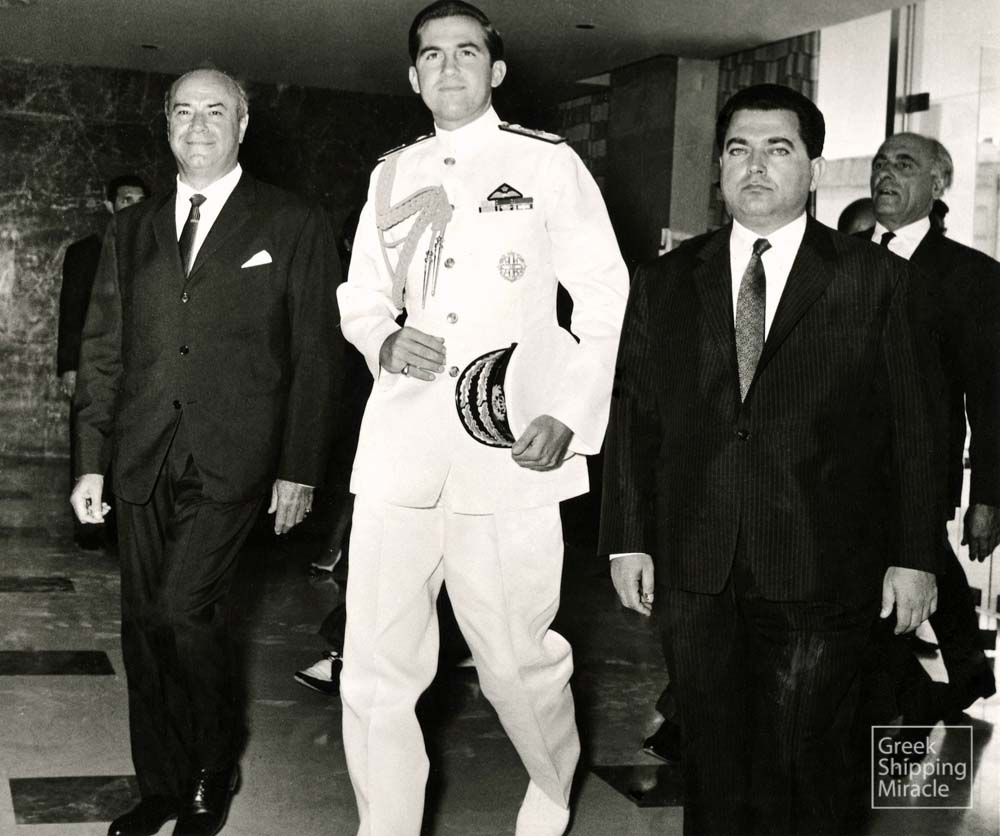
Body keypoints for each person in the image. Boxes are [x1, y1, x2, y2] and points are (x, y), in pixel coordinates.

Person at [600, 84, 940, 835]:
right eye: (738, 149)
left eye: (778, 149)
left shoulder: (873, 278)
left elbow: (917, 428)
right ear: (718, 166)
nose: (755, 166)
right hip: (697, 567)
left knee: (809, 768)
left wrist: (914, 553)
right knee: (713, 767)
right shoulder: (664, 282)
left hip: (824, 564)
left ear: (813, 169)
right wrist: (627, 534)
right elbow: (636, 414)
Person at [336, 3, 628, 834]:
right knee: (375, 670)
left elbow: (604, 293)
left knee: (514, 662)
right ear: (413, 76)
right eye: (432, 55)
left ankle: (551, 780)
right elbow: (360, 293)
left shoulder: (545, 162)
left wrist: (569, 412)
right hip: (399, 452)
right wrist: (383, 341)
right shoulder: (392, 172)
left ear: (497, 72)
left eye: (468, 53)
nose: (450, 68)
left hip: (509, 454)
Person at [71, 68, 342, 836]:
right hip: (141, 456)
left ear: (243, 124)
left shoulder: (291, 222)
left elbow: (317, 356)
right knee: (144, 625)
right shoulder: (132, 229)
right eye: (183, 112)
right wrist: (90, 460)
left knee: (187, 612)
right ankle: (158, 783)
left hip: (236, 460)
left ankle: (211, 766)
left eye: (214, 112)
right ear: (165, 126)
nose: (197, 126)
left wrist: (299, 467)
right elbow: (103, 354)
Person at [866, 132, 999, 717]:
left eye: (904, 164)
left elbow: (991, 395)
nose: (885, 174)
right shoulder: (838, 258)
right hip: (834, 464)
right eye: (880, 163)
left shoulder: (971, 275)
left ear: (938, 184)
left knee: (909, 567)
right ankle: (952, 680)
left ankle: (927, 691)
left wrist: (989, 496)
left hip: (920, 468)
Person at [58, 175, 149, 549]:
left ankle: (114, 524)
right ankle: (87, 525)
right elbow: (72, 313)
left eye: (140, 199)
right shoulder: (86, 252)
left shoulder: (152, 248)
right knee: (90, 440)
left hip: (135, 374)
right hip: (94, 364)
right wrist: (69, 366)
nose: (133, 206)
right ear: (109, 205)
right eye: (126, 199)